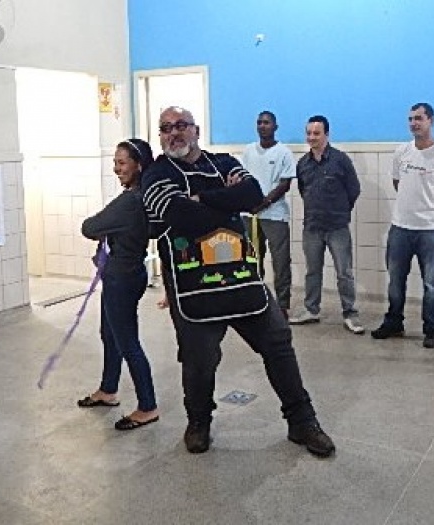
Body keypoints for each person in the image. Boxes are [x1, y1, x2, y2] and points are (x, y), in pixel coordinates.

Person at [140, 106, 335, 457]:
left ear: (196, 130)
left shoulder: (224, 162)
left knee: (278, 342)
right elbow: (179, 215)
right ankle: (199, 422)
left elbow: (252, 195)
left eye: (181, 125)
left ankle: (302, 421)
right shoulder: (156, 175)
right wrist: (225, 206)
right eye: (166, 128)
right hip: (192, 290)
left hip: (244, 282)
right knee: (199, 359)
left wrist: (201, 199)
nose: (174, 133)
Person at [78, 138, 160, 430]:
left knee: (127, 342)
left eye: (122, 162)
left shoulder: (130, 201)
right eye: (114, 162)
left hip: (122, 278)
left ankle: (148, 406)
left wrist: (105, 228)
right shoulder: (144, 196)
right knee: (109, 334)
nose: (116, 168)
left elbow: (89, 227)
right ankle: (108, 389)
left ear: (138, 165)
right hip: (126, 272)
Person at [371, 103, 434, 348]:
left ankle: (431, 329)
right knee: (395, 280)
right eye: (410, 119)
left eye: (419, 118)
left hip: (430, 230)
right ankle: (394, 323)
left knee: (431, 283)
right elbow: (397, 183)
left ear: (431, 120)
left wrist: (432, 209)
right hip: (400, 228)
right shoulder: (402, 152)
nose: (414, 123)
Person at [289, 115, 364, 334]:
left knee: (344, 272)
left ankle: (350, 313)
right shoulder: (303, 164)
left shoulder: (340, 160)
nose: (312, 137)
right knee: (312, 271)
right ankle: (311, 309)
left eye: (316, 133)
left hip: (337, 227)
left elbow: (354, 189)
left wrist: (340, 211)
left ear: (327, 135)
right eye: (309, 133)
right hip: (312, 227)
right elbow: (303, 191)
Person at [241, 111, 296, 319]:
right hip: (250, 215)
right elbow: (242, 179)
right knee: (252, 260)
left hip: (275, 216)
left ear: (275, 126)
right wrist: (249, 202)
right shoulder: (248, 151)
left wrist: (264, 202)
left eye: (266, 122)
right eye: (259, 123)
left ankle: (282, 305)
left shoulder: (284, 153)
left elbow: (285, 184)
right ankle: (256, 301)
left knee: (281, 263)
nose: (262, 126)